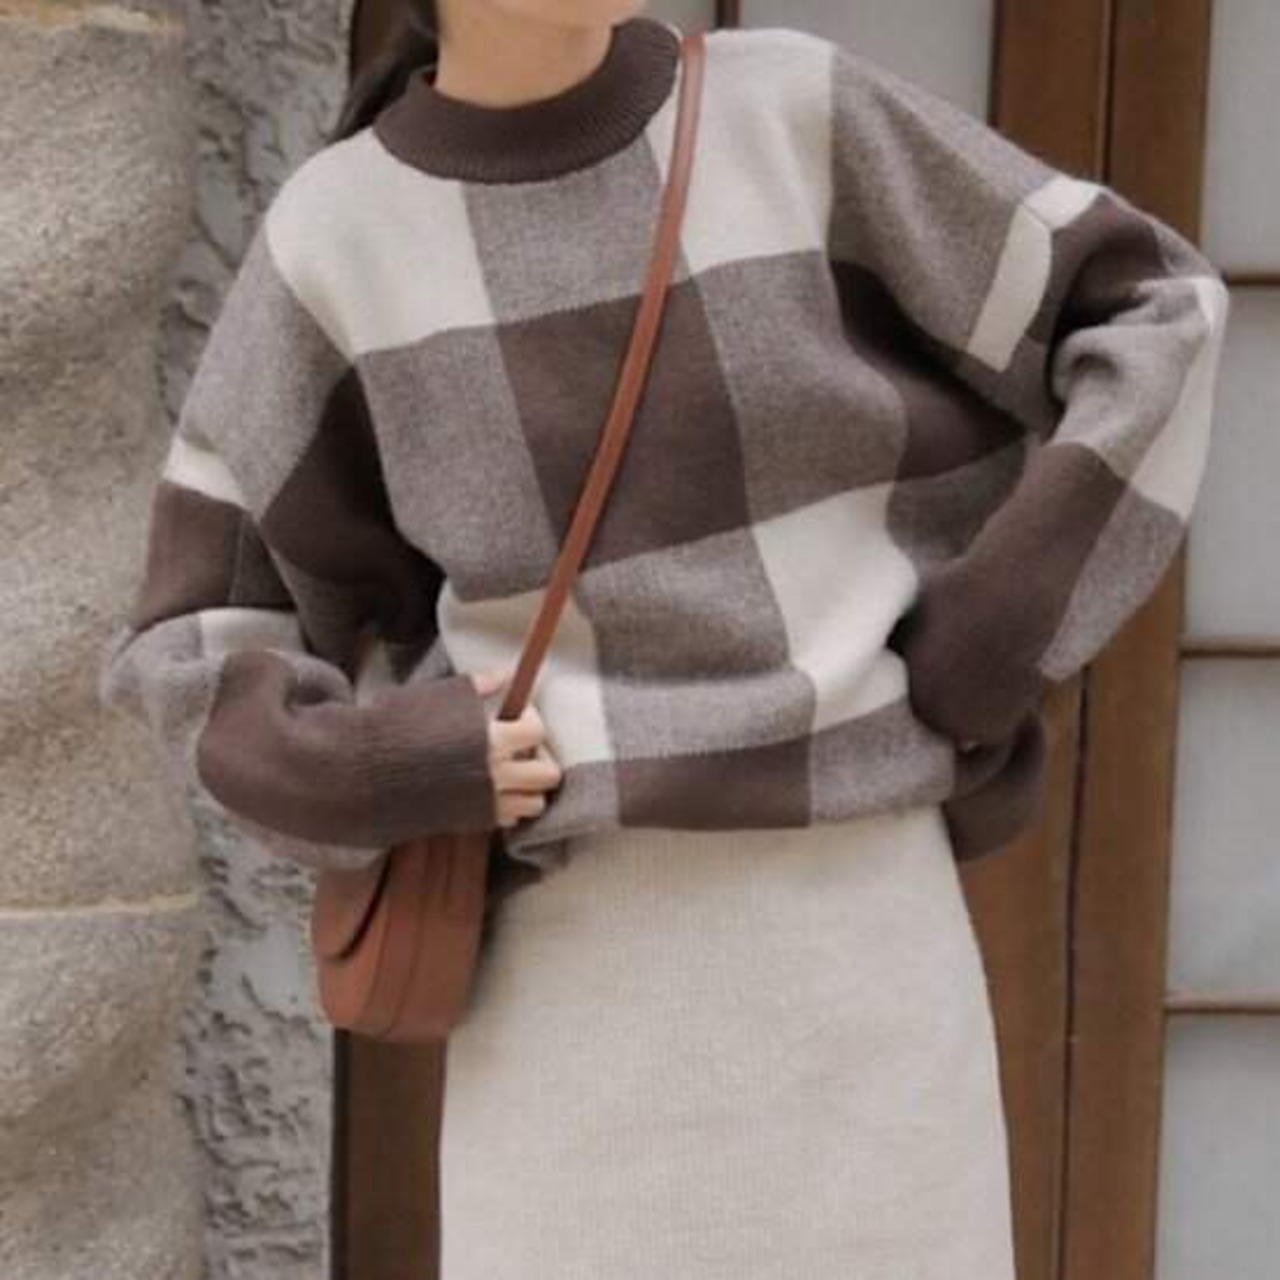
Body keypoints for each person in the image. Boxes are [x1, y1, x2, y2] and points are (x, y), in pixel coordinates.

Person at [96, 2, 1231, 1276]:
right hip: (572, 1002)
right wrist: (392, 763)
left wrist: (993, 634)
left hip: (865, 965)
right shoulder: (339, 232)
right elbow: (191, 636)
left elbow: (1156, 307)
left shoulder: (793, 110)